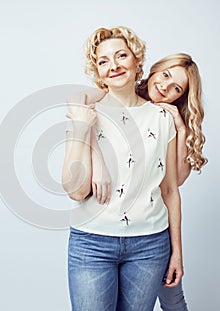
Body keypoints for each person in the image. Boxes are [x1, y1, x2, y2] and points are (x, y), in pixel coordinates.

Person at [62, 26, 183, 311]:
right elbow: (75, 191)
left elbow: (170, 189)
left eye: (121, 56)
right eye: (103, 61)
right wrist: (92, 147)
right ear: (97, 71)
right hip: (91, 244)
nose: (113, 66)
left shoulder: (161, 117)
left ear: (136, 61)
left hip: (150, 245)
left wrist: (177, 251)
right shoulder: (84, 113)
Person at [76, 53, 208, 310]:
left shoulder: (166, 118)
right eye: (165, 75)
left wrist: (180, 129)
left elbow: (174, 183)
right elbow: (77, 103)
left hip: (151, 234)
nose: (165, 87)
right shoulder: (116, 92)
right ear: (155, 69)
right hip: (102, 233)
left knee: (172, 297)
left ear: (180, 96)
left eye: (176, 88)